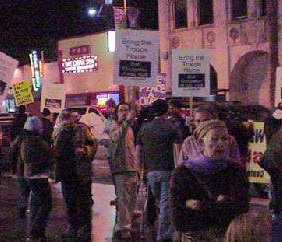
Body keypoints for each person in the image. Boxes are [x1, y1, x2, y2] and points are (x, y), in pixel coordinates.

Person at [170, 120, 250, 241]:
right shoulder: (183, 173)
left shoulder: (236, 171)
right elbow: (179, 219)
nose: (220, 144)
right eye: (214, 139)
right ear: (201, 143)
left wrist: (199, 205)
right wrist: (220, 205)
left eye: (225, 139)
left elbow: (241, 208)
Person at [137, 99, 183, 242]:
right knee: (165, 204)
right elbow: (177, 149)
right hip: (168, 170)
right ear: (166, 110)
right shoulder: (172, 127)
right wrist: (180, 169)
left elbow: (138, 150)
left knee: (158, 202)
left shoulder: (144, 128)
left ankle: (160, 231)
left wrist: (139, 171)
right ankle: (163, 235)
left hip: (150, 172)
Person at [53, 110, 98, 240]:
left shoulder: (82, 129)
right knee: (71, 203)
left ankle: (83, 229)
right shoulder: (58, 132)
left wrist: (85, 151)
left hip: (80, 172)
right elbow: (56, 152)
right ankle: (74, 228)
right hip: (67, 173)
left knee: (82, 202)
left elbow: (93, 144)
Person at [104, 102, 139, 240]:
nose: (124, 113)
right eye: (121, 110)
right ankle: (123, 228)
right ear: (117, 113)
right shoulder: (114, 126)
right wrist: (128, 121)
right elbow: (117, 137)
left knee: (131, 200)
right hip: (120, 169)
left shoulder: (129, 128)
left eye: (126, 110)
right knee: (123, 199)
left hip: (132, 168)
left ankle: (126, 224)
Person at [21, 116, 54, 240]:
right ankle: (36, 231)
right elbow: (49, 157)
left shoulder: (25, 141)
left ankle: (34, 232)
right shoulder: (39, 143)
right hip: (39, 176)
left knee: (36, 205)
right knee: (46, 205)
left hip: (29, 176)